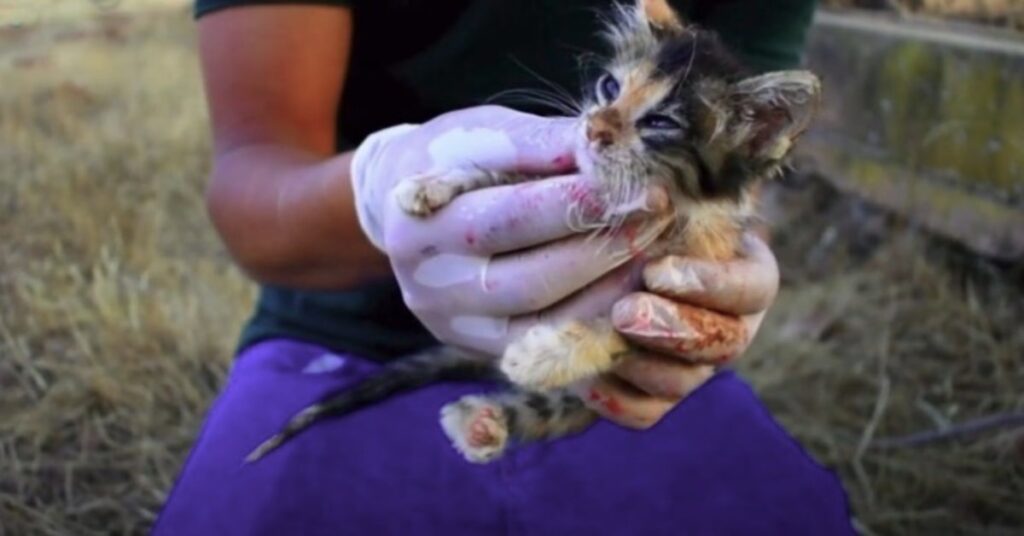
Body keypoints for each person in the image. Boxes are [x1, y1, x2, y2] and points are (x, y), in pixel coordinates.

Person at [153, 1, 854, 534]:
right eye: (609, 88)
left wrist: (716, 289)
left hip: (606, 374)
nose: (600, 126)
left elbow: (729, 190)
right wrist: (375, 190)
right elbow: (249, 182)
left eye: (655, 121)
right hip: (341, 329)